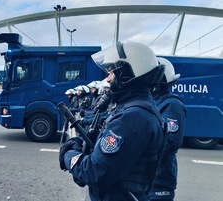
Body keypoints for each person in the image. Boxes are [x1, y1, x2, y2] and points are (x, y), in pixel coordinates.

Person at [59, 41, 166, 201]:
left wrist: (69, 155)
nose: (108, 79)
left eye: (111, 72)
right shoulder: (136, 110)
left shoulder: (132, 117)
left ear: (127, 74)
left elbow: (95, 172)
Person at [148, 57, 186, 201]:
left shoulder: (171, 104)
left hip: (159, 181)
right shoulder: (154, 101)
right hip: (148, 178)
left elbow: (170, 143)